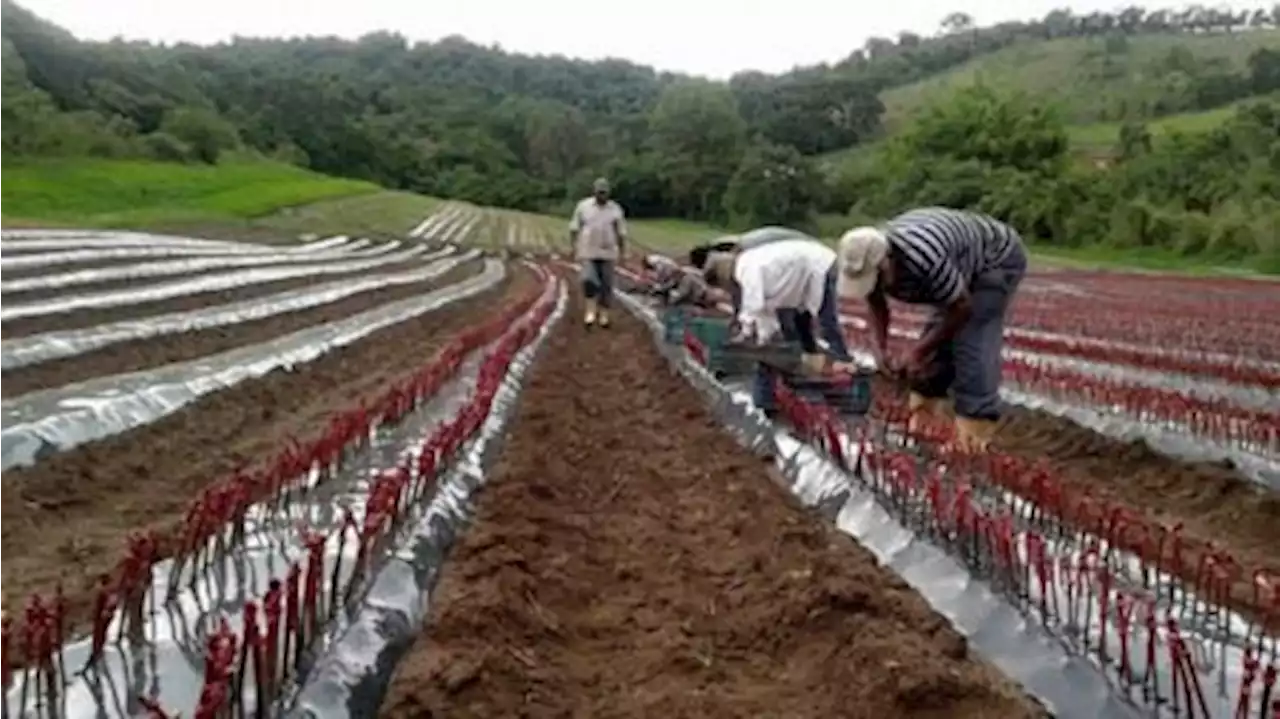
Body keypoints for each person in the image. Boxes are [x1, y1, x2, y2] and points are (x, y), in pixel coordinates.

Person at [835, 207, 1027, 452]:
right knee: (936, 334)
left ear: (886, 263)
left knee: (973, 336)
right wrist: (880, 349)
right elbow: (877, 305)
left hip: (996, 258)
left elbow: (961, 308)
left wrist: (918, 352)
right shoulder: (870, 257)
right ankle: (926, 418)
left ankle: (974, 432)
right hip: (956, 258)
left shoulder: (923, 259)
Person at [702, 237, 854, 416]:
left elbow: (754, 306)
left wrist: (745, 333)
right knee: (802, 330)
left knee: (827, 323)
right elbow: (765, 314)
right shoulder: (750, 268)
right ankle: (813, 377)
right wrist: (764, 340)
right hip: (799, 278)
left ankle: (845, 374)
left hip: (819, 266)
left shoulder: (747, 269)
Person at [569, 177, 628, 327]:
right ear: (594, 192)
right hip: (588, 250)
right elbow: (574, 227)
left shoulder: (615, 209)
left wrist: (623, 252)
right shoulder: (583, 206)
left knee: (606, 285)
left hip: (608, 252)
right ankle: (590, 311)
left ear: (608, 193)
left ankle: (604, 315)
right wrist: (573, 246)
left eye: (604, 193)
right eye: (599, 192)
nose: (602, 195)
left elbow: (621, 232)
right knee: (588, 280)